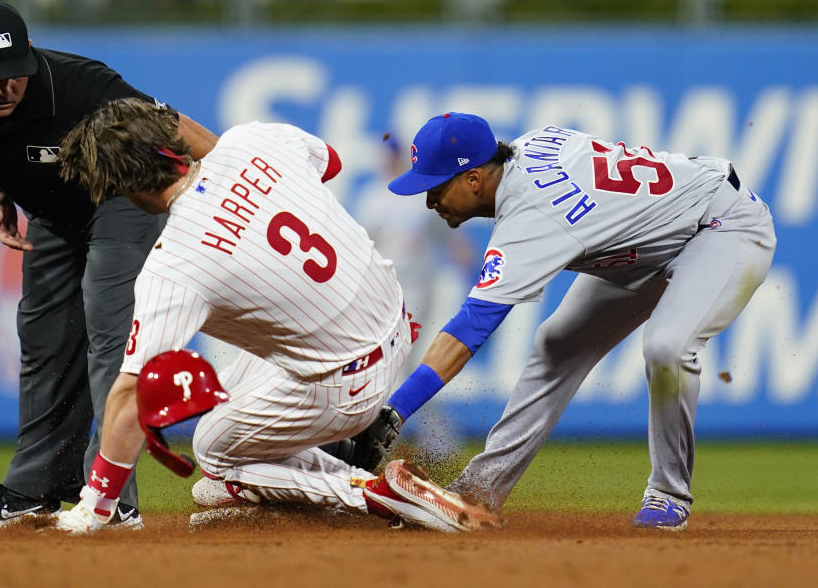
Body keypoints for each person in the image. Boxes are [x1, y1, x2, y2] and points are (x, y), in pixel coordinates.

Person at [51, 98, 500, 534]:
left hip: (346, 382)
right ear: (173, 143)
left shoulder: (174, 266)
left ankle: (370, 491)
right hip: (391, 319)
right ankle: (288, 489)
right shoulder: (253, 139)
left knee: (213, 451)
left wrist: (98, 503)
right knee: (222, 474)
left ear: (125, 187)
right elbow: (331, 164)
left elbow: (130, 395)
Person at [354, 112, 776, 531]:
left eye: (436, 187)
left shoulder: (530, 216)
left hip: (721, 226)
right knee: (556, 344)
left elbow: (471, 328)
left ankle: (668, 493)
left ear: (475, 180)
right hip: (644, 247)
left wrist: (396, 411)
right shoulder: (530, 145)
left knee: (667, 346)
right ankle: (479, 490)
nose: (429, 202)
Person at [0, 2, 218, 531]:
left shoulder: (81, 86)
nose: (4, 88)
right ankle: (31, 490)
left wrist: (244, 183)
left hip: (120, 202)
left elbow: (182, 131)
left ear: (30, 51)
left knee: (110, 339)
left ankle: (111, 501)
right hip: (50, 215)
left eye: (14, 72)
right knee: (43, 339)